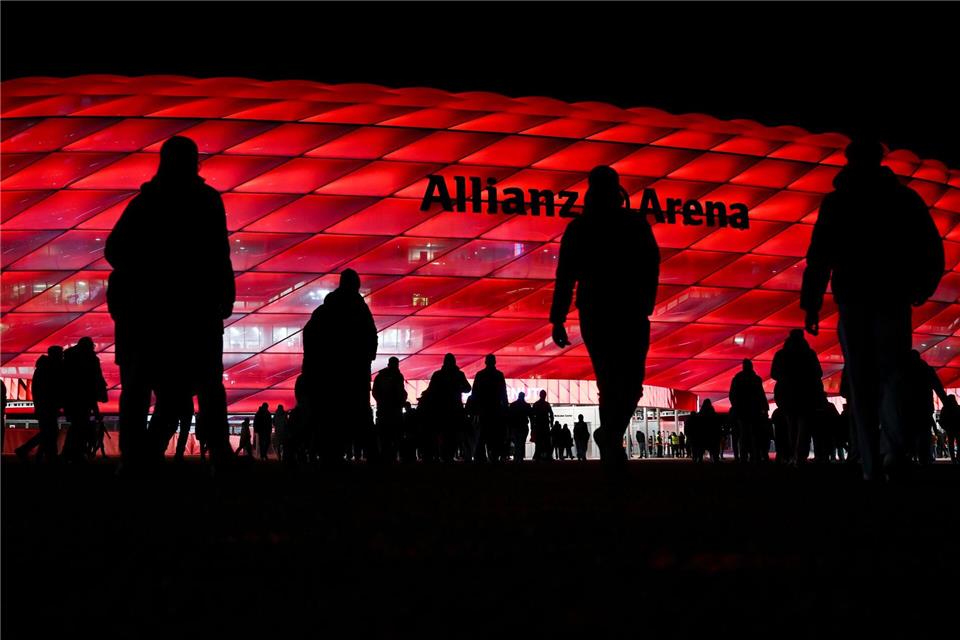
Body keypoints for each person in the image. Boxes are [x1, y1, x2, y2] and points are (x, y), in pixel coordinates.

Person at [801, 139, 944, 481]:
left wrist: (812, 303)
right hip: (892, 295)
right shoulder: (903, 199)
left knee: (862, 380)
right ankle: (895, 450)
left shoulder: (838, 203)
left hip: (854, 297)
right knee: (892, 373)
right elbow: (930, 246)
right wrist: (922, 286)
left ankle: (871, 464)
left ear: (850, 162)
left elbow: (820, 255)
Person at [106, 135, 235, 468]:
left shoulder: (145, 203)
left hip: (146, 311)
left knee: (140, 384)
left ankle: (136, 456)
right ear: (195, 163)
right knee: (203, 383)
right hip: (196, 309)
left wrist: (144, 270)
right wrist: (224, 294)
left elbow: (113, 250)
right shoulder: (207, 201)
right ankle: (217, 451)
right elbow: (220, 254)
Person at [551, 165, 659, 464]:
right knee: (624, 381)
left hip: (601, 311)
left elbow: (565, 276)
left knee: (612, 381)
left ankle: (609, 433)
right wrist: (557, 317)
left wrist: (559, 318)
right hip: (625, 310)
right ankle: (611, 437)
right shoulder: (633, 224)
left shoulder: (583, 227)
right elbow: (652, 266)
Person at [301, 269, 378, 464]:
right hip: (354, 372)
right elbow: (371, 336)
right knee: (359, 411)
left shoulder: (324, 310)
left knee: (330, 414)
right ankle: (371, 454)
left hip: (328, 372)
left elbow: (310, 338)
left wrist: (312, 368)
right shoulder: (360, 309)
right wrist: (366, 359)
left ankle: (330, 454)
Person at [770, 330, 825, 466]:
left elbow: (774, 374)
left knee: (791, 425)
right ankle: (800, 455)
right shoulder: (809, 354)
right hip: (806, 395)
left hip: (787, 395)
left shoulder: (781, 355)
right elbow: (818, 373)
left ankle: (792, 454)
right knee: (804, 426)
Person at [16, 347, 65, 463]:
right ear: (55, 355)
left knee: (48, 431)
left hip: (43, 405)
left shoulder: (43, 368)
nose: (62, 356)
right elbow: (51, 389)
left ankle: (43, 454)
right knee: (50, 432)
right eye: (60, 354)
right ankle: (28, 450)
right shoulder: (50, 369)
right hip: (48, 406)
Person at [901, 350, 947, 464]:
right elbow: (938, 387)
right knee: (924, 434)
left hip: (909, 408)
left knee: (910, 433)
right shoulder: (926, 369)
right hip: (924, 408)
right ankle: (924, 459)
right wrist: (946, 402)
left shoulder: (905, 370)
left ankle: (911, 456)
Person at [425, 354, 471, 462]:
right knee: (453, 434)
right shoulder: (459, 375)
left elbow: (431, 391)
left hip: (441, 410)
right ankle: (449, 455)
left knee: (442, 433)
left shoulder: (438, 375)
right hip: (455, 409)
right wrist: (458, 388)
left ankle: (442, 454)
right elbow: (468, 388)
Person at [728, 359, 770, 463]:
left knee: (743, 434)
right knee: (755, 434)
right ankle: (755, 455)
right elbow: (761, 394)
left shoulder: (737, 379)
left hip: (742, 411)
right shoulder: (756, 379)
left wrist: (736, 406)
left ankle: (743, 456)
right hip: (755, 411)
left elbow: (732, 395)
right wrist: (764, 408)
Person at [470, 354, 508, 463]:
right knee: (495, 434)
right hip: (495, 409)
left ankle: (481, 456)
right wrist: (505, 409)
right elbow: (503, 394)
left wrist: (474, 410)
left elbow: (475, 394)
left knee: (482, 434)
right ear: (494, 362)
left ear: (485, 362)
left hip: (483, 410)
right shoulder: (499, 375)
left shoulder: (480, 375)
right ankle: (494, 455)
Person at [372, 357, 407, 463]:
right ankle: (392, 456)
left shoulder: (380, 376)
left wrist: (381, 401)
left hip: (384, 410)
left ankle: (385, 456)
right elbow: (401, 392)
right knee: (395, 435)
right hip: (394, 410)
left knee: (384, 435)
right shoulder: (398, 376)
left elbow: (375, 392)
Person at [508, 392, 531, 462]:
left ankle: (517, 456)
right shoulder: (526, 405)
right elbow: (531, 416)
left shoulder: (513, 405)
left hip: (515, 426)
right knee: (521, 442)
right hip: (523, 426)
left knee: (517, 442)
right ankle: (520, 456)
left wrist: (509, 428)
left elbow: (509, 417)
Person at [531, 390, 553, 461]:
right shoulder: (547, 404)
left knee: (538, 442)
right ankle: (548, 456)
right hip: (545, 425)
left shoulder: (536, 404)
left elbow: (532, 415)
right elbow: (551, 414)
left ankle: (537, 455)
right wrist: (551, 423)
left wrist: (532, 425)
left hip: (538, 425)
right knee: (547, 441)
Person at [938, 395, 960, 463]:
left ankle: (953, 458)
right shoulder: (958, 408)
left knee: (951, 443)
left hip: (949, 429)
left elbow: (941, 420)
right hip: (958, 428)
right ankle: (958, 457)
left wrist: (945, 427)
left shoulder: (944, 409)